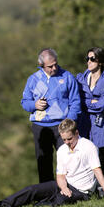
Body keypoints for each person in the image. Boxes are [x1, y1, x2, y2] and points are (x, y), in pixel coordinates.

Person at [0, 119, 104, 207]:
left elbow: (97, 171)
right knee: (31, 190)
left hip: (82, 192)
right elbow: (60, 175)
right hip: (64, 185)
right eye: (64, 140)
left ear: (76, 133)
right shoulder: (62, 150)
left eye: (70, 139)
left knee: (56, 203)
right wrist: (63, 187)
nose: (67, 143)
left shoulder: (89, 146)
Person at [21, 48, 81, 183]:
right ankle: (46, 195)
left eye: (55, 64)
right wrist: (34, 105)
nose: (54, 68)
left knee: (67, 160)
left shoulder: (67, 77)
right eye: (50, 66)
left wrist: (69, 123)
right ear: (41, 65)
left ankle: (70, 191)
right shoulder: (33, 79)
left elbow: (75, 101)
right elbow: (25, 102)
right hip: (40, 126)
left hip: (62, 126)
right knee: (43, 161)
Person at [76, 47, 104, 181]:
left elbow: (102, 105)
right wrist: (91, 101)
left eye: (92, 58)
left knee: (100, 161)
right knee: (84, 160)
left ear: (101, 61)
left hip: (101, 126)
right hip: (83, 124)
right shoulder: (80, 79)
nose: (89, 61)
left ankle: (102, 191)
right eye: (87, 58)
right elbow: (77, 100)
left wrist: (86, 103)